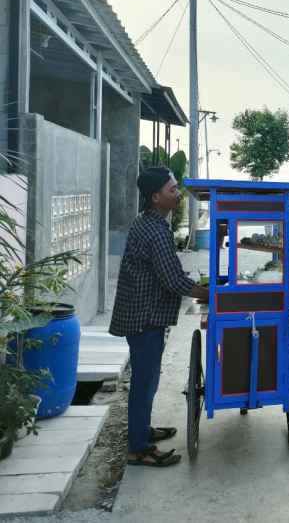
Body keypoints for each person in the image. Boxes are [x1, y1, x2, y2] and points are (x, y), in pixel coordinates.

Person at [109, 167, 207, 467]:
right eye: (172, 190)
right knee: (144, 381)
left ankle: (142, 431)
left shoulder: (152, 223)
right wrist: (213, 294)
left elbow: (170, 272)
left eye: (177, 188)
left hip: (144, 314)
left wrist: (198, 284)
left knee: (148, 380)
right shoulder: (153, 230)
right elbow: (173, 280)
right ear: (155, 197)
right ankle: (138, 448)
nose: (178, 194)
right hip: (144, 317)